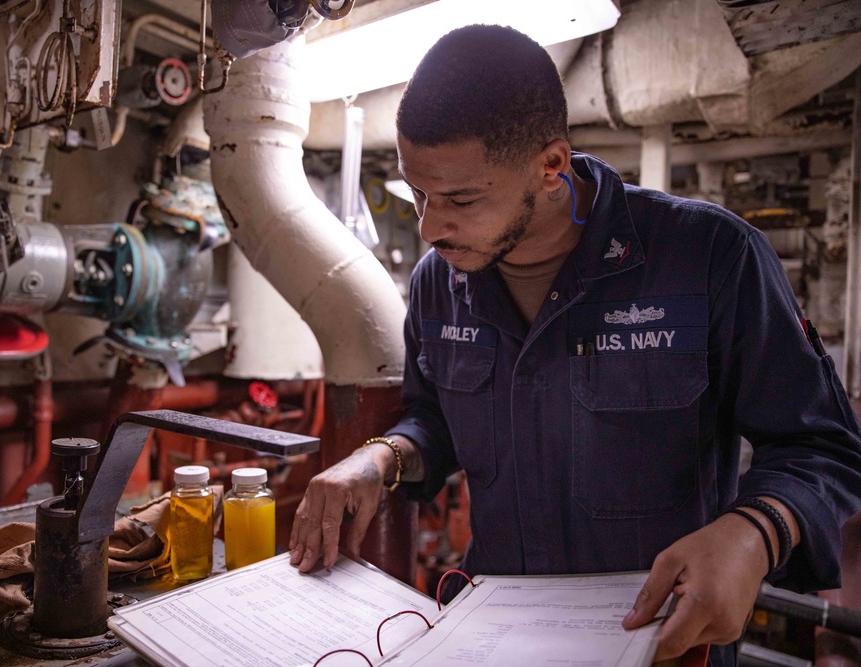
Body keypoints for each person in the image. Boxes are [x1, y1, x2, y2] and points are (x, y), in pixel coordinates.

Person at [288, 24, 861, 666]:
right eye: (417, 193)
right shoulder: (439, 284)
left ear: (552, 165)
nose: (429, 227)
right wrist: (378, 460)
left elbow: (824, 446)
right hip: (494, 642)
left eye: (460, 199)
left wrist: (752, 535)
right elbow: (436, 423)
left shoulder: (710, 260)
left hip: (658, 642)